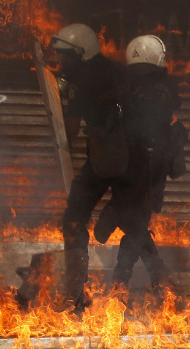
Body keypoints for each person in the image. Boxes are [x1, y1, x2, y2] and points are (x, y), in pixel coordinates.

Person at [94, 35, 186, 291]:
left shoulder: (121, 85)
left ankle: (129, 277)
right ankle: (141, 276)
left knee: (135, 218)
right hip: (152, 165)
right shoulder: (167, 86)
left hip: (125, 162)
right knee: (138, 219)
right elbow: (170, 115)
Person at [51, 23, 127, 310]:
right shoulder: (118, 70)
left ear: (80, 53)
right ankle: (162, 287)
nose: (61, 61)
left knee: (73, 218)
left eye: (65, 56)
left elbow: (69, 128)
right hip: (132, 159)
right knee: (136, 224)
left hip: (104, 156)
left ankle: (74, 293)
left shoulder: (81, 77)